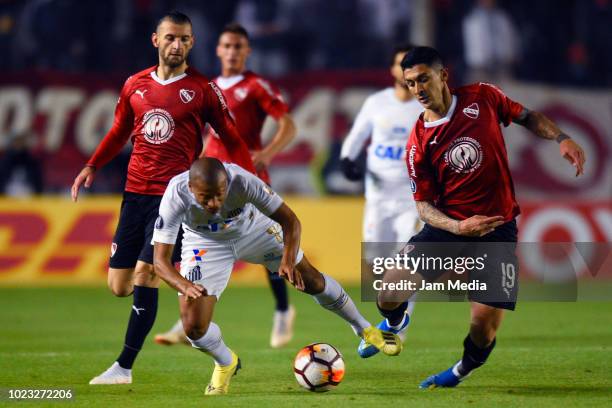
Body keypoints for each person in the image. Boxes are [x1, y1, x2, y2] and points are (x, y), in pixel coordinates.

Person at [370, 46, 586, 388]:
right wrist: (458, 226)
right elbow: (423, 207)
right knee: (387, 291)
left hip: (497, 230)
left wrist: (562, 137)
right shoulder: (418, 143)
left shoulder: (482, 97)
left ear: (443, 76)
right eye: (411, 83)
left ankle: (460, 371)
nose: (418, 90)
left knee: (483, 327)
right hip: (448, 227)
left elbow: (527, 116)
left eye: (424, 79)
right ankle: (395, 322)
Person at [71, 11, 255, 385]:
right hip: (134, 193)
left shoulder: (203, 89)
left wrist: (247, 182)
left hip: (174, 199)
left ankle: (123, 367)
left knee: (147, 273)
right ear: (156, 40)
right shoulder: (135, 85)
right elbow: (120, 129)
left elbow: (232, 137)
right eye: (171, 38)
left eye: (185, 39)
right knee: (119, 286)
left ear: (192, 43)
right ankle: (190, 314)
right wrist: (92, 164)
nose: (178, 45)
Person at [153, 158, 402, 395]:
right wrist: (184, 284)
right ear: (190, 187)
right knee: (193, 328)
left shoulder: (242, 180)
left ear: (226, 183)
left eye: (220, 194)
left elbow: (291, 221)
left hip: (254, 230)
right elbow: (160, 261)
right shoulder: (175, 195)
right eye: (205, 198)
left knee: (311, 280)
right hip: (206, 243)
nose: (214, 204)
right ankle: (226, 362)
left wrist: (286, 260)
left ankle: (365, 330)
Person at [154, 23, 297, 349]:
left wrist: (267, 153)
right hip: (209, 180)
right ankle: (186, 316)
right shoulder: (206, 87)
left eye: (238, 47)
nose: (232, 52)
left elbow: (288, 124)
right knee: (199, 248)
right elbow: (209, 135)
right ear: (217, 50)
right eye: (227, 46)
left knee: (272, 252)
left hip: (245, 179)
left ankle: (282, 310)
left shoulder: (256, 86)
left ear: (247, 51)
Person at [340, 43, 423, 358]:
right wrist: (348, 157)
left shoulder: (423, 106)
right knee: (377, 266)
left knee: (408, 261)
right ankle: (395, 316)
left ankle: (398, 326)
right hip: (377, 196)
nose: (407, 72)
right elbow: (358, 134)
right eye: (402, 65)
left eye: (412, 67)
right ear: (393, 70)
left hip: (412, 196)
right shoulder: (377, 103)